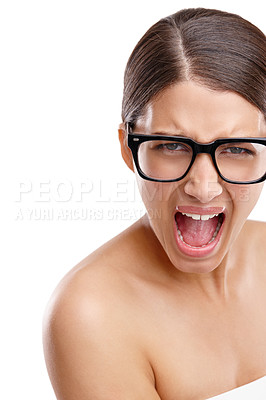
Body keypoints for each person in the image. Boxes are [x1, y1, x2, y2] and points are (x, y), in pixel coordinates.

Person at [43, 8, 266, 400]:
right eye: (171, 146)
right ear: (128, 150)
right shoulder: (91, 314)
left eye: (235, 148)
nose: (203, 186)